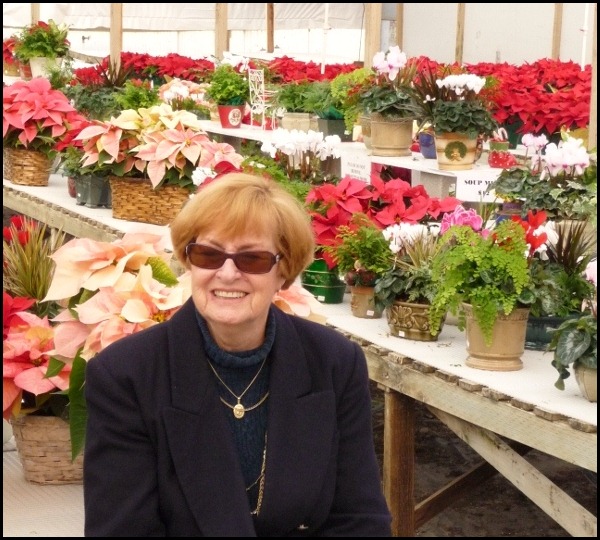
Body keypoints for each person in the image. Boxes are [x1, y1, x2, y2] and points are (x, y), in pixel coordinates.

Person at [83, 173, 392, 537]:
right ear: (189, 261)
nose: (227, 274)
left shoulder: (334, 363)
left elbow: (359, 519)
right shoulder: (126, 375)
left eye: (252, 259)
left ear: (284, 271)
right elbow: (122, 529)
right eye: (208, 254)